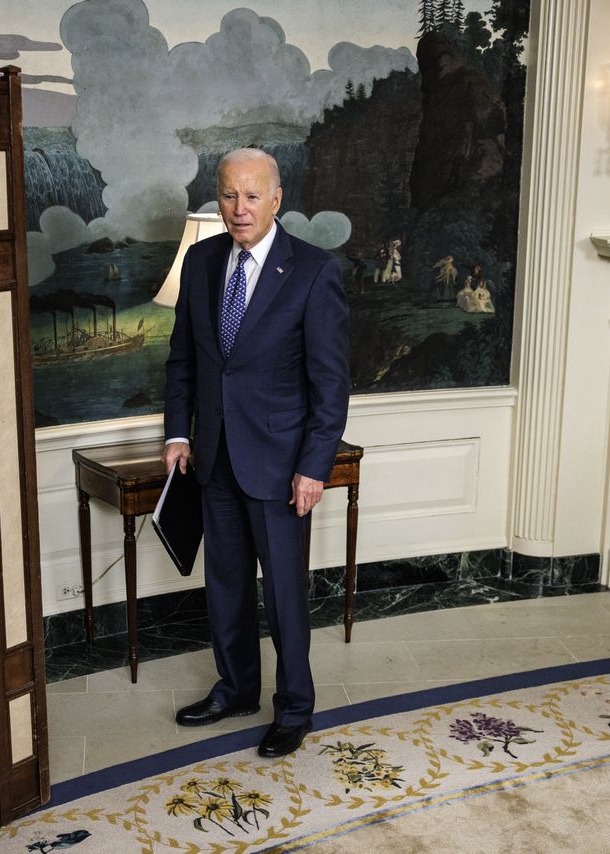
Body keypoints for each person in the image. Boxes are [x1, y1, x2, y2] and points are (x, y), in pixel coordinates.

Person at [163, 148, 350, 758]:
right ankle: (236, 688)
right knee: (227, 586)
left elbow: (331, 384)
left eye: (251, 196)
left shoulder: (313, 271)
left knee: (285, 598)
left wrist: (313, 467)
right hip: (213, 458)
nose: (238, 209)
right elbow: (183, 360)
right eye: (227, 195)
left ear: (276, 200)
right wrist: (177, 434)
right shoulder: (199, 260)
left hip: (281, 466)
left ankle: (294, 708)